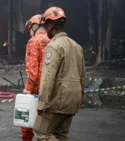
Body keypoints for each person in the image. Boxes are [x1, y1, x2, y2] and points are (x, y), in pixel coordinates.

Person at [33, 7, 86, 141]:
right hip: (73, 101)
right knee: (61, 135)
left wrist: (42, 104)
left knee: (41, 132)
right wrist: (79, 99)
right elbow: (82, 77)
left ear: (50, 26)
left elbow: (47, 78)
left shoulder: (54, 46)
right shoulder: (77, 46)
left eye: (45, 27)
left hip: (58, 101)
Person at [21, 14, 50, 141]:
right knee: (48, 122)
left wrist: (28, 88)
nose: (30, 33)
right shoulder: (54, 40)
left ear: (35, 26)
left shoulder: (34, 41)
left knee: (27, 122)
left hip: (37, 88)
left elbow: (32, 69)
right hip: (52, 87)